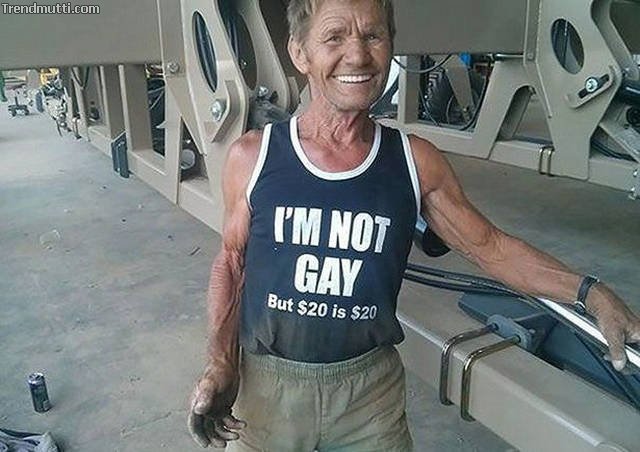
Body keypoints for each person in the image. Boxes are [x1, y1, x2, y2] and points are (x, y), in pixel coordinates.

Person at [188, 0, 640, 450]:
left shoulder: (414, 161)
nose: (357, 55)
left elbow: (491, 248)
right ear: (299, 53)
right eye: (334, 37)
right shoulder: (254, 156)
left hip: (368, 398)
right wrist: (221, 362)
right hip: (268, 392)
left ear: (391, 45)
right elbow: (232, 263)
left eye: (373, 35)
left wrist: (591, 293)